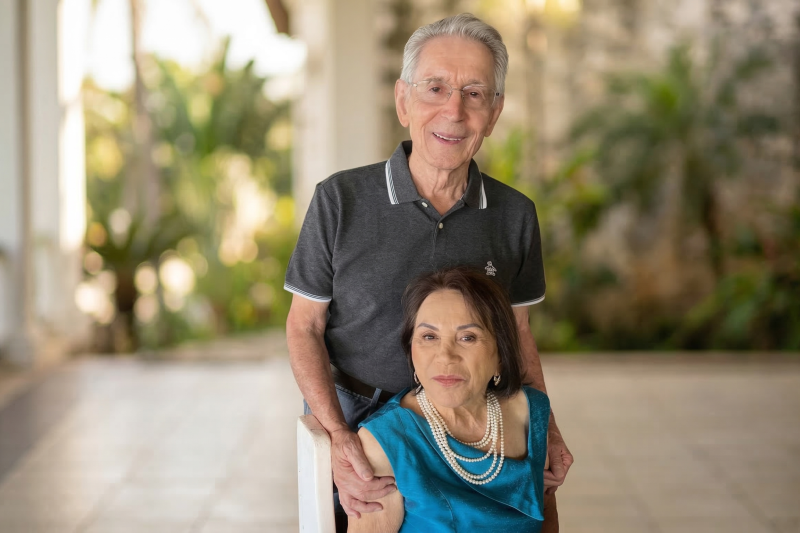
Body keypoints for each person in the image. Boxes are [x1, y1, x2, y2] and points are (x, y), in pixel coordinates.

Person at [285, 13, 572, 531]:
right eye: (435, 88)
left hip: (472, 425)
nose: (454, 111)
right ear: (403, 101)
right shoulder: (340, 200)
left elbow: (520, 334)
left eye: (475, 94)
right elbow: (303, 327)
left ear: (496, 110)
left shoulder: (514, 215)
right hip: (366, 432)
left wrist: (545, 430)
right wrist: (338, 439)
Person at [348, 267, 554, 533]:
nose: (445, 356)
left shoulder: (530, 412)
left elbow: (547, 515)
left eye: (467, 337)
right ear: (411, 352)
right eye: (429, 337)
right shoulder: (385, 441)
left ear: (501, 355)